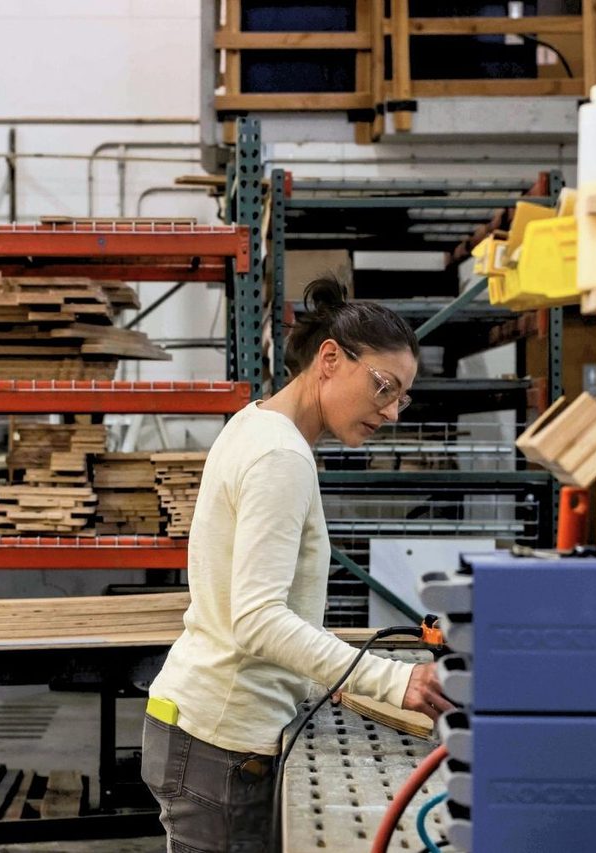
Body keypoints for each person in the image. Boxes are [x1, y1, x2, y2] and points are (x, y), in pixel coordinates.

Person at [140, 274, 453, 853]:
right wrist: (393, 677)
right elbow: (257, 620)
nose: (390, 412)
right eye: (383, 386)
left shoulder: (254, 424)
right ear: (330, 359)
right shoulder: (280, 456)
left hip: (206, 729)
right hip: (222, 743)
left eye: (401, 398)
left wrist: (317, 674)